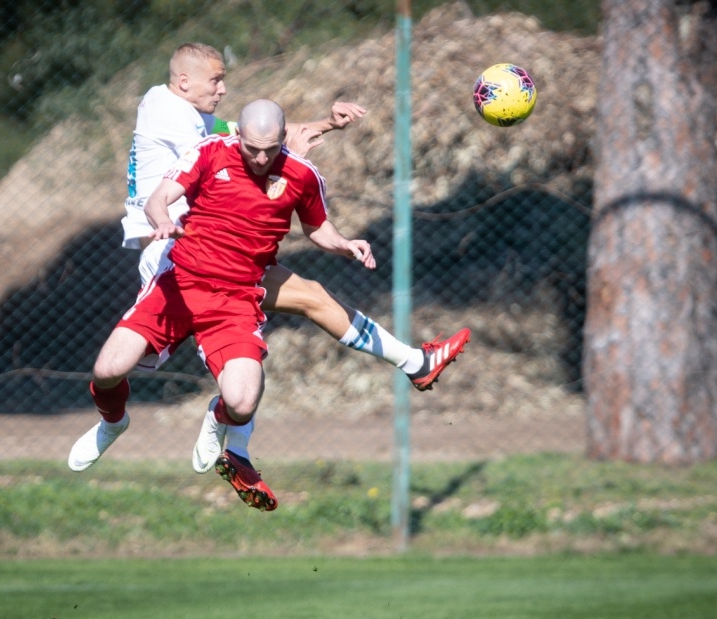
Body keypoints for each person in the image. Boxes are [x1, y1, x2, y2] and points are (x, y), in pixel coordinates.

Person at [70, 100, 391, 511]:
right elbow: (158, 198)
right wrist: (162, 220)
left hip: (236, 299)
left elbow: (317, 228)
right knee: (108, 369)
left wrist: (345, 244)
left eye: (270, 149)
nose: (260, 158)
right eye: (252, 148)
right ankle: (112, 422)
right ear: (237, 135)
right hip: (180, 286)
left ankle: (218, 419)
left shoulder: (301, 174)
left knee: (242, 401)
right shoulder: (209, 150)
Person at [118, 42, 469, 387]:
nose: (223, 89)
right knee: (228, 364)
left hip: (208, 247)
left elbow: (253, 135)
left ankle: (415, 363)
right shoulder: (170, 116)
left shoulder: (181, 111)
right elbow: (247, 152)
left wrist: (327, 123)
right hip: (177, 254)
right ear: (184, 82)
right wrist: (290, 163)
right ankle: (146, 425)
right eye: (215, 80)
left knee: (306, 301)